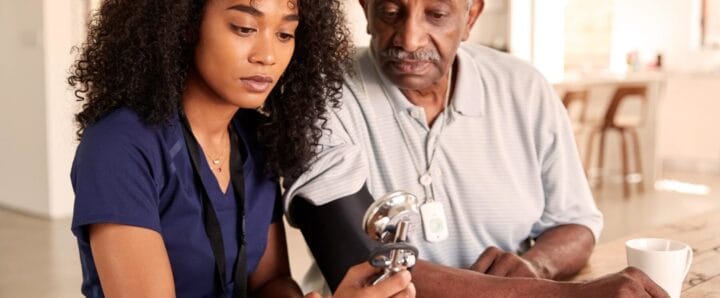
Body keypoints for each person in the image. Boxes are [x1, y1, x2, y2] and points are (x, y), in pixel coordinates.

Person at [283, 0, 669, 296]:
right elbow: (360, 262)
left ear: (471, 17)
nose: (410, 38)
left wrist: (535, 267)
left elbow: (576, 222)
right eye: (390, 12)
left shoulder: (525, 88)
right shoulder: (319, 93)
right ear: (366, 9)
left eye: (436, 14)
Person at [68, 0, 415, 297]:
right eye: (244, 28)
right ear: (186, 24)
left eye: (285, 34)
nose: (267, 55)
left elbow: (271, 282)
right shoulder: (119, 147)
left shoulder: (253, 138)